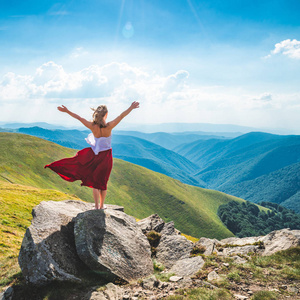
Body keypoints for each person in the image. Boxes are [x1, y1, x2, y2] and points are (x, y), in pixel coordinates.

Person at [45, 101, 140, 209]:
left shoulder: (92, 126)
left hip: (94, 156)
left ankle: (96, 206)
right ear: (106, 114)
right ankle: (101, 205)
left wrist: (66, 111)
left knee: (95, 182)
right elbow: (121, 116)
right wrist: (131, 107)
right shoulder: (109, 126)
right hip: (106, 157)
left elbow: (79, 118)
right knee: (103, 182)